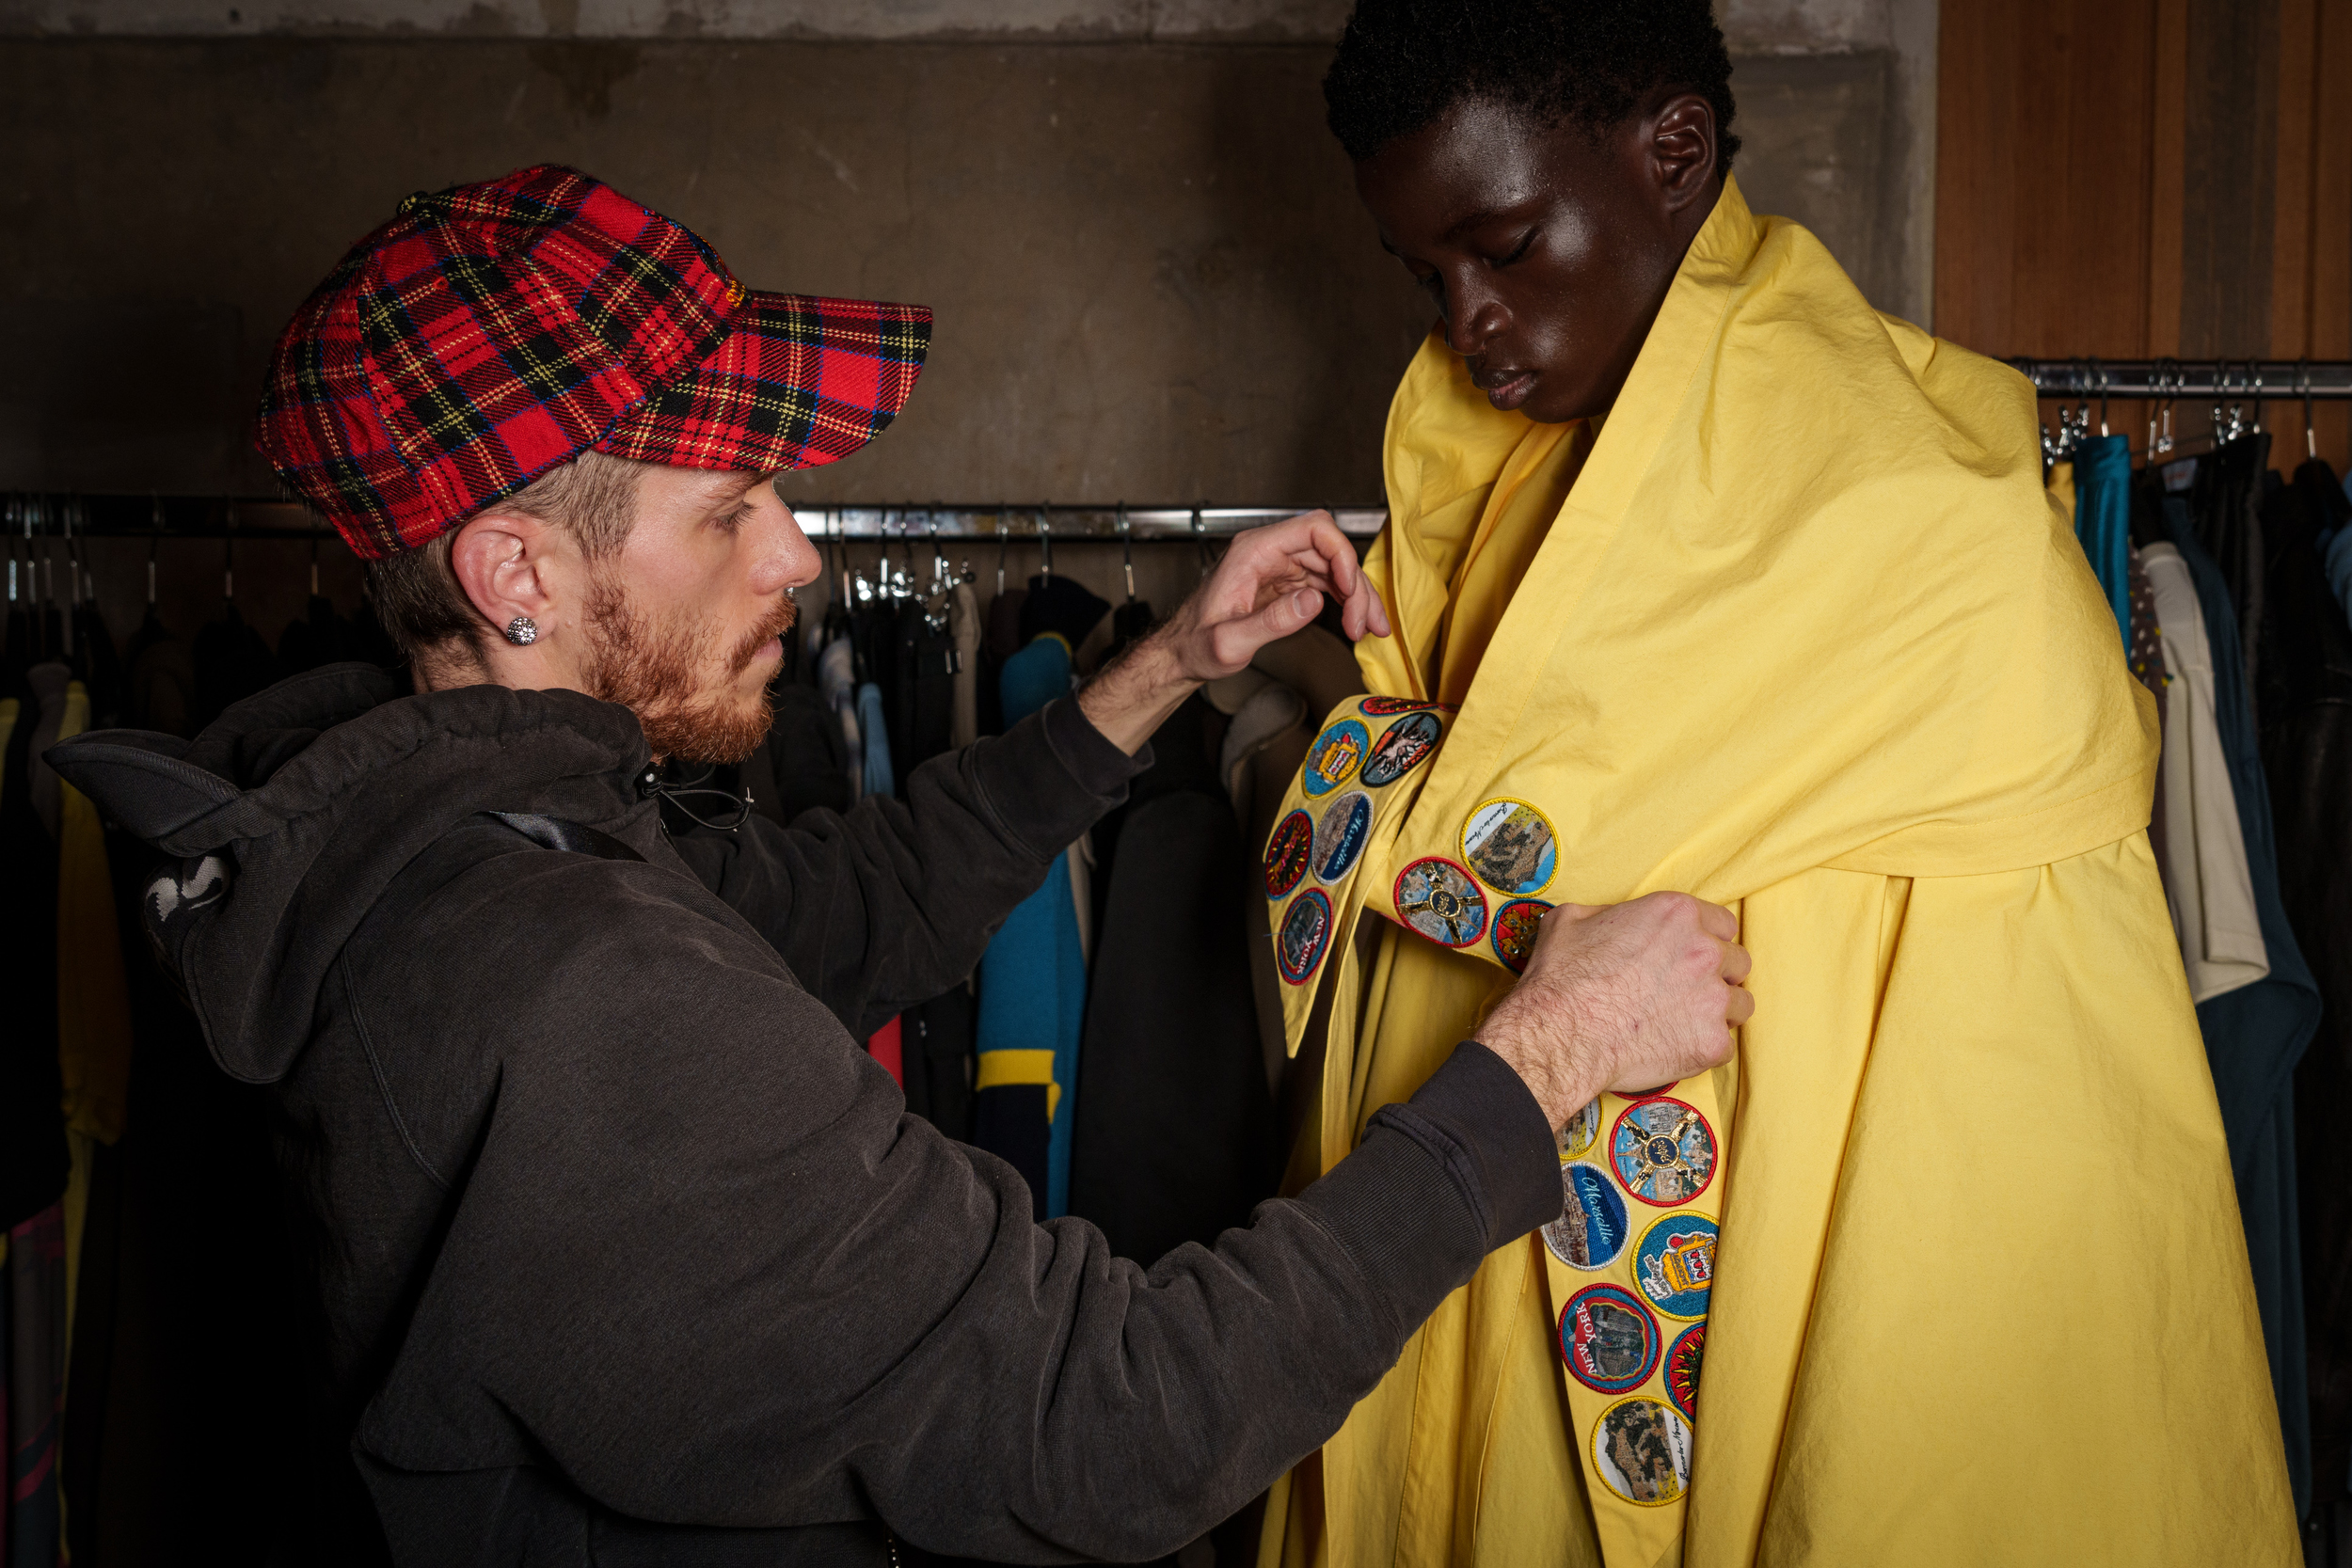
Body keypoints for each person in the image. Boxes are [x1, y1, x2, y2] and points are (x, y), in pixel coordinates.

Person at [47, 165, 1753, 1565]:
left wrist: (1166, 670)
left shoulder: (441, 842)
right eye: (732, 505)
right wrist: (1545, 1065)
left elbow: (846, 906)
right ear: (516, 573)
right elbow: (1113, 1421)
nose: (799, 548)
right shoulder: (575, 992)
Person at [1255, 3, 2298, 1567]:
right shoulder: (1526, 461)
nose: (1466, 322)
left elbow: (1482, 836)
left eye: (1507, 247)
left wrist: (1367, 774)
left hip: (1805, 1273)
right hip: (1493, 1261)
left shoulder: (1892, 493)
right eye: (1428, 277)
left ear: (1672, 154)